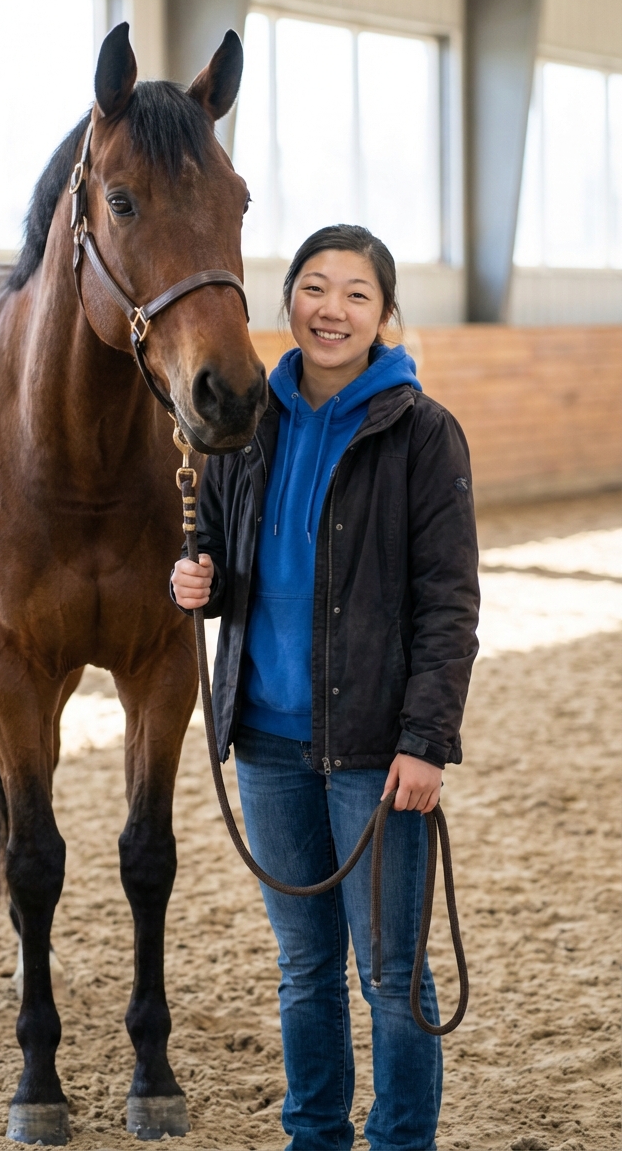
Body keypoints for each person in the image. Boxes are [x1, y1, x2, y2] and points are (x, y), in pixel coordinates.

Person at [171, 224, 480, 1151]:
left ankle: (400, 1140)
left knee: (391, 973)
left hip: (376, 751)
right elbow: (227, 559)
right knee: (304, 967)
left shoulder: (423, 434)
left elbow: (449, 606)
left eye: (356, 293)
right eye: (314, 287)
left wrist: (426, 742)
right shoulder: (245, 429)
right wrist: (201, 581)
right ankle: (315, 1136)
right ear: (289, 304)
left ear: (385, 315)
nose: (332, 309)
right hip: (265, 743)